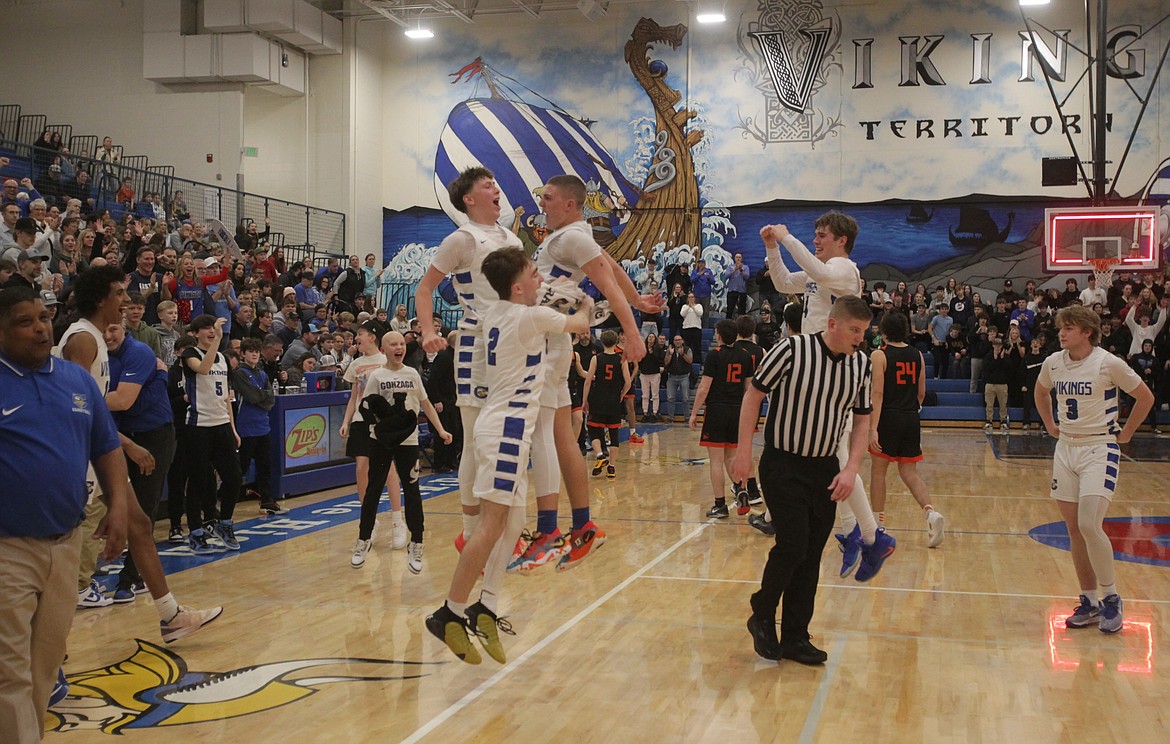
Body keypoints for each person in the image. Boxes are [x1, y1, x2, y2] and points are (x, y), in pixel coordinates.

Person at [426, 246, 591, 665]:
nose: (541, 279)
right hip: (506, 430)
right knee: (491, 524)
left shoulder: (497, 311)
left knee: (514, 521)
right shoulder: (531, 315)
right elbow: (581, 323)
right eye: (535, 274)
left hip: (503, 427)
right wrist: (587, 300)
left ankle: (487, 604)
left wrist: (552, 294)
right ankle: (450, 611)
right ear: (518, 286)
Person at [56, 266, 222, 642]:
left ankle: (171, 615)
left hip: (99, 449)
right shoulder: (82, 339)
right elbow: (73, 407)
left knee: (141, 526)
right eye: (119, 293)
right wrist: (125, 444)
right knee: (62, 552)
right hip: (80, 454)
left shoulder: (97, 338)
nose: (125, 301)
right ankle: (48, 648)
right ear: (101, 299)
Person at [732, 296, 894, 665]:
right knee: (793, 544)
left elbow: (863, 420)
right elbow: (754, 395)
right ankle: (762, 610)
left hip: (825, 467)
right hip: (782, 464)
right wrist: (744, 451)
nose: (859, 338)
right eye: (854, 330)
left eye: (864, 332)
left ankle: (795, 636)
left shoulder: (861, 366)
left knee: (810, 556)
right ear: (833, 324)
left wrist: (851, 468)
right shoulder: (791, 349)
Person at [509, 174, 656, 573]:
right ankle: (582, 526)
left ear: (572, 204)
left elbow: (605, 279)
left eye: (549, 198)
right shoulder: (573, 236)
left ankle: (546, 531)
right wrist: (638, 301)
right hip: (553, 342)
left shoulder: (571, 237)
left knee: (540, 434)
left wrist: (632, 330)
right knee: (561, 436)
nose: (543, 204)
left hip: (547, 343)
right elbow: (612, 266)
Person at [0, 287, 128, 744]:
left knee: (42, 669)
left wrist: (118, 505)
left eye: (43, 317)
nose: (40, 327)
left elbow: (107, 445)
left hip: (66, 543)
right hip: (7, 549)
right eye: (24, 321)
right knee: (8, 674)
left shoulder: (75, 382)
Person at [761, 214, 885, 577]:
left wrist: (785, 238)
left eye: (822, 235)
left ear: (841, 240)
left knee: (838, 458)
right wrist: (772, 249)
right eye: (813, 235)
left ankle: (868, 536)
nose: (816, 240)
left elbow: (817, 270)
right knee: (835, 457)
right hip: (815, 364)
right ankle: (862, 535)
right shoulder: (822, 271)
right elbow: (784, 283)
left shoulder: (844, 269)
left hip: (837, 367)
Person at [1035, 305, 1154, 634]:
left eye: (1069, 328)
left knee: (1089, 523)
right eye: (1062, 327)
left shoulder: (1108, 362)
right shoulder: (1053, 363)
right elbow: (1040, 391)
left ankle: (1112, 598)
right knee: (1074, 530)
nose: (1062, 332)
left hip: (1100, 447)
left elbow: (1145, 397)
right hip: (1066, 449)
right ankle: (1088, 601)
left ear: (1087, 331)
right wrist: (1049, 424)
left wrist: (1126, 434)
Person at [351, 331, 452, 572]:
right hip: (381, 440)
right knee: (374, 489)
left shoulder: (412, 374)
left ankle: (416, 541)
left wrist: (440, 430)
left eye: (401, 344)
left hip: (408, 440)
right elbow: (366, 406)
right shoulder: (376, 376)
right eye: (393, 344)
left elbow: (425, 403)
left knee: (413, 490)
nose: (398, 347)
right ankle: (363, 538)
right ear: (384, 349)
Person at [103, 321, 178, 602]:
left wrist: (83, 397)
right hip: (119, 435)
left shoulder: (139, 352)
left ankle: (129, 578)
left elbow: (126, 402)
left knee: (144, 508)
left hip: (153, 435)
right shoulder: (98, 355)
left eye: (114, 329)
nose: (109, 335)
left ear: (124, 329)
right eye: (105, 330)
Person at [867, 312, 945, 546]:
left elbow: (877, 393)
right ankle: (930, 513)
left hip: (888, 416)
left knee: (878, 472)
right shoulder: (917, 355)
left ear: (884, 331)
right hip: (911, 416)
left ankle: (877, 525)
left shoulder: (879, 355)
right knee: (909, 472)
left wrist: (873, 428)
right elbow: (921, 393)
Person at [180, 314, 244, 553]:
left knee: (234, 477)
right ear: (195, 333)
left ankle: (224, 523)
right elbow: (204, 369)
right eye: (204, 328)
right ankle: (196, 531)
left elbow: (227, 396)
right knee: (198, 481)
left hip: (221, 424)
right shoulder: (190, 355)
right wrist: (218, 338)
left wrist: (232, 427)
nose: (210, 331)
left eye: (212, 328)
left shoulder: (223, 359)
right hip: (198, 426)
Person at [690, 319, 754, 519]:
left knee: (716, 461)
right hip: (737, 411)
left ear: (718, 335)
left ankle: (720, 505)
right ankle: (740, 488)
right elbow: (749, 389)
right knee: (731, 457)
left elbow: (704, 388)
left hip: (717, 410)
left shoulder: (714, 355)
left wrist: (694, 413)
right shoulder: (745, 357)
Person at [233, 338, 283, 515]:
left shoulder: (262, 374)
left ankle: (267, 501)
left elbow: (271, 400)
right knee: (241, 467)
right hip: (246, 427)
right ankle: (227, 501)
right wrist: (263, 395)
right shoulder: (239, 373)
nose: (254, 354)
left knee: (265, 466)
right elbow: (253, 397)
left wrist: (261, 396)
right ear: (243, 354)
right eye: (250, 351)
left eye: (256, 351)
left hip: (263, 426)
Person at [583, 330, 630, 481]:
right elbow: (628, 382)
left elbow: (588, 380)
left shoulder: (596, 359)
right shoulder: (622, 360)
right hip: (614, 401)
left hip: (598, 399)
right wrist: (622, 393)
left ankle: (599, 454)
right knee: (614, 434)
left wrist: (585, 400)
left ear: (601, 342)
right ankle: (611, 467)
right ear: (616, 342)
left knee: (593, 429)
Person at [664, 334, 693, 422]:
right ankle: (670, 417)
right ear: (673, 341)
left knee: (685, 398)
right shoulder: (670, 350)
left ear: (682, 341)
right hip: (672, 376)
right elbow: (666, 362)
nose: (678, 341)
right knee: (670, 398)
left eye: (679, 340)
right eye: (676, 340)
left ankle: (687, 417)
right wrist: (670, 354)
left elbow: (690, 360)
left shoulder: (687, 349)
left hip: (683, 376)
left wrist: (682, 354)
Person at [638, 332, 664, 422]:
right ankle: (645, 413)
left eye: (653, 337)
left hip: (655, 374)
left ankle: (654, 413)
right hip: (644, 374)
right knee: (645, 395)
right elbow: (639, 360)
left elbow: (660, 360)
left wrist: (652, 353)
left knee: (655, 395)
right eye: (649, 337)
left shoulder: (658, 349)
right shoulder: (642, 348)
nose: (651, 338)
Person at [725, 252, 750, 318]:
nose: (738, 259)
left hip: (742, 292)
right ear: (734, 259)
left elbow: (747, 277)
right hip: (732, 291)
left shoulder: (745, 267)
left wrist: (741, 270)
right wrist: (735, 269)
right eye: (737, 257)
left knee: (742, 311)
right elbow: (726, 275)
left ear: (742, 259)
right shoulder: (730, 267)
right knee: (730, 310)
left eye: (739, 257)